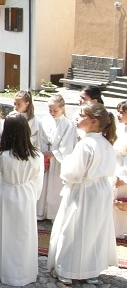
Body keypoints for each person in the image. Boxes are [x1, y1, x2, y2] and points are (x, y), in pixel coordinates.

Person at [47, 102, 118, 285]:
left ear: (94, 121)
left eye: (81, 115)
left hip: (84, 192)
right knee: (93, 231)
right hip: (101, 191)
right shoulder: (106, 143)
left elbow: (74, 173)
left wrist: (67, 164)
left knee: (73, 229)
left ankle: (67, 269)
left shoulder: (86, 144)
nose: (77, 117)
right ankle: (90, 269)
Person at [0, 115, 44, 286]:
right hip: (27, 194)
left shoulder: (3, 156)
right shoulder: (37, 155)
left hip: (8, 194)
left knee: (6, 232)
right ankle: (23, 271)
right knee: (24, 233)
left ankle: (3, 268)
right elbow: (38, 180)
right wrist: (34, 196)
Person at [37, 94, 77, 221]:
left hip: (57, 161)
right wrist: (42, 152)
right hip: (44, 157)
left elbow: (68, 146)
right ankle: (40, 211)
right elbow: (38, 139)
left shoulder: (68, 125)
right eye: (50, 110)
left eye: (55, 110)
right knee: (42, 185)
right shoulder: (43, 121)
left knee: (55, 187)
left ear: (63, 109)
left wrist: (53, 153)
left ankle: (54, 214)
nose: (52, 113)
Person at [114, 100, 127, 238]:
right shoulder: (119, 128)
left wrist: (124, 177)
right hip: (116, 166)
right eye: (118, 111)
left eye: (122, 112)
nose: (118, 115)